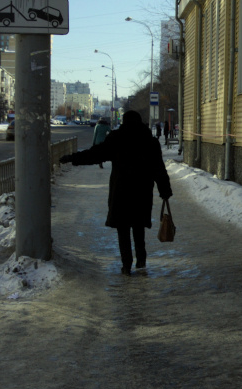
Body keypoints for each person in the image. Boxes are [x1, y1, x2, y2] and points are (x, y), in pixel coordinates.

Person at [61, 110, 172, 275]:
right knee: (138, 225)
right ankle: (141, 258)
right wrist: (165, 190)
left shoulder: (117, 138)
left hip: (121, 191)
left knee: (123, 228)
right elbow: (159, 169)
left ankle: (126, 264)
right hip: (142, 191)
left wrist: (72, 158)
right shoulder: (149, 141)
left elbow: (95, 154)